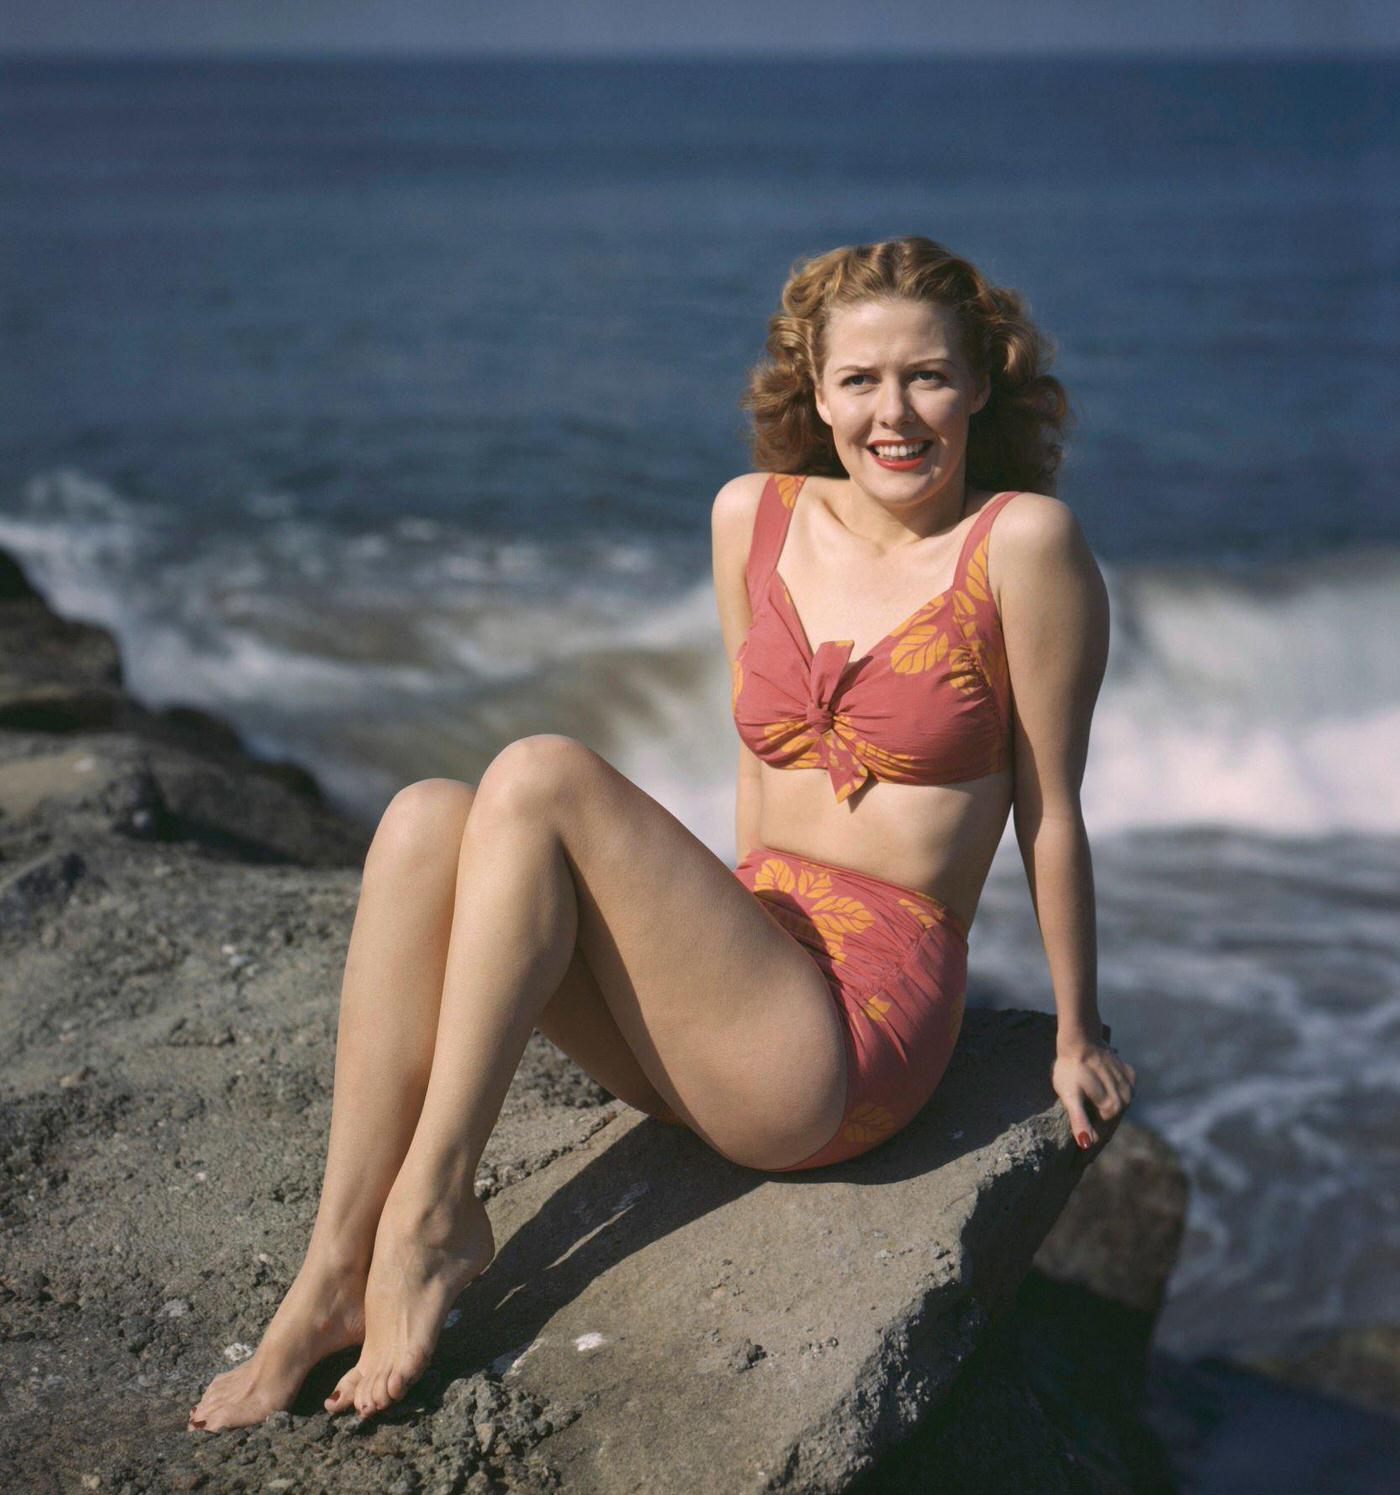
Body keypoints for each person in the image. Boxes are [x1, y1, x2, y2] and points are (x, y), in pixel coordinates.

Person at [188, 234, 1135, 1433]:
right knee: (427, 819)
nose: (893, 413)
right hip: (742, 994)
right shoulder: (753, 515)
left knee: (537, 772)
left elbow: (1050, 808)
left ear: (981, 381)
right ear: (814, 387)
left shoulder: (1022, 546)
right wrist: (704, 959)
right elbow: (755, 767)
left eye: (927, 376)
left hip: (846, 1042)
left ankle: (432, 1219)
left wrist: (1072, 1032)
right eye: (859, 381)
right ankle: (332, 1266)